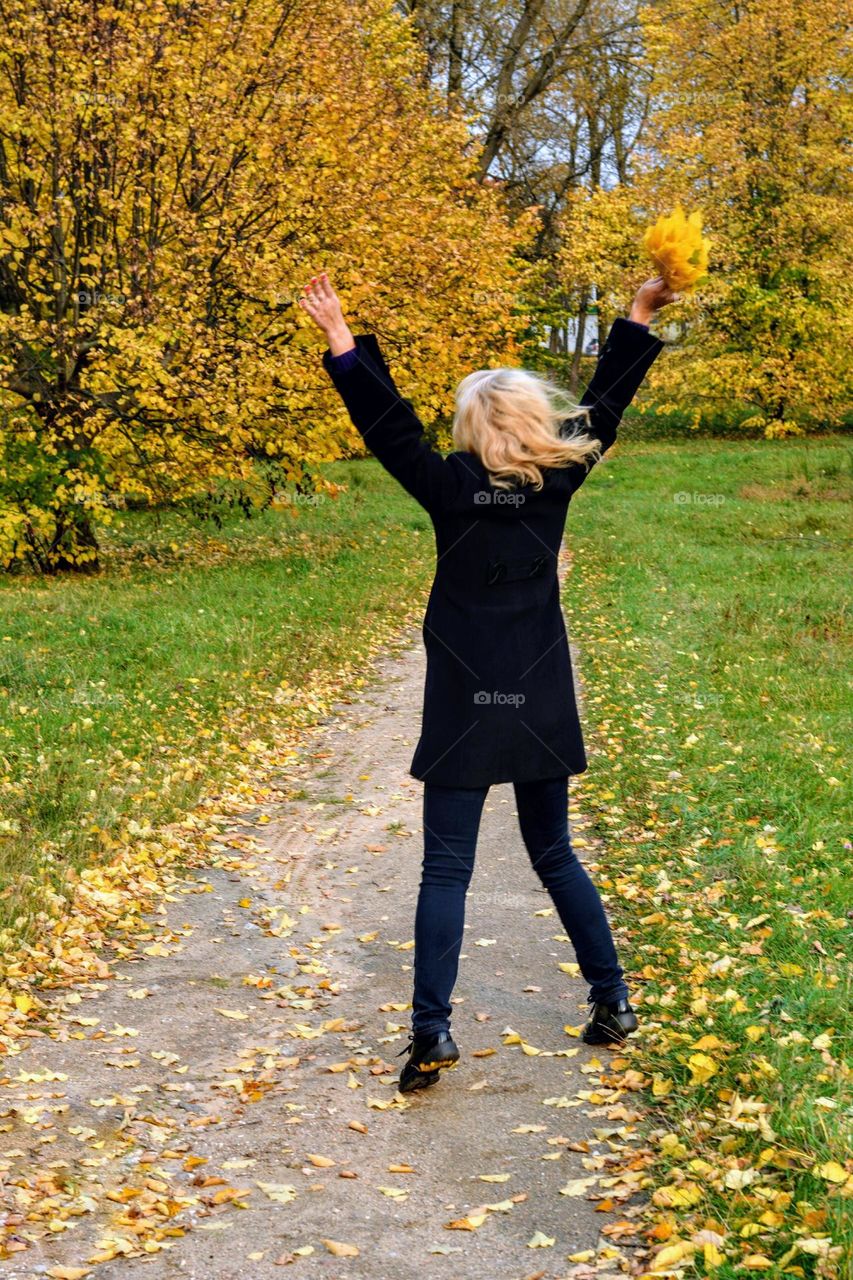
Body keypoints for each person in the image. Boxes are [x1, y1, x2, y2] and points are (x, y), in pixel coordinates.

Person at [299, 272, 676, 1093]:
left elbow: (390, 430)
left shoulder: (445, 488)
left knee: (445, 871)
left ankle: (431, 1032)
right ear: (537, 424)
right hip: (537, 699)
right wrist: (637, 316)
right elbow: (604, 408)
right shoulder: (557, 482)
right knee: (554, 853)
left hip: (466, 706)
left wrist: (342, 344)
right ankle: (612, 1001)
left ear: (473, 428)